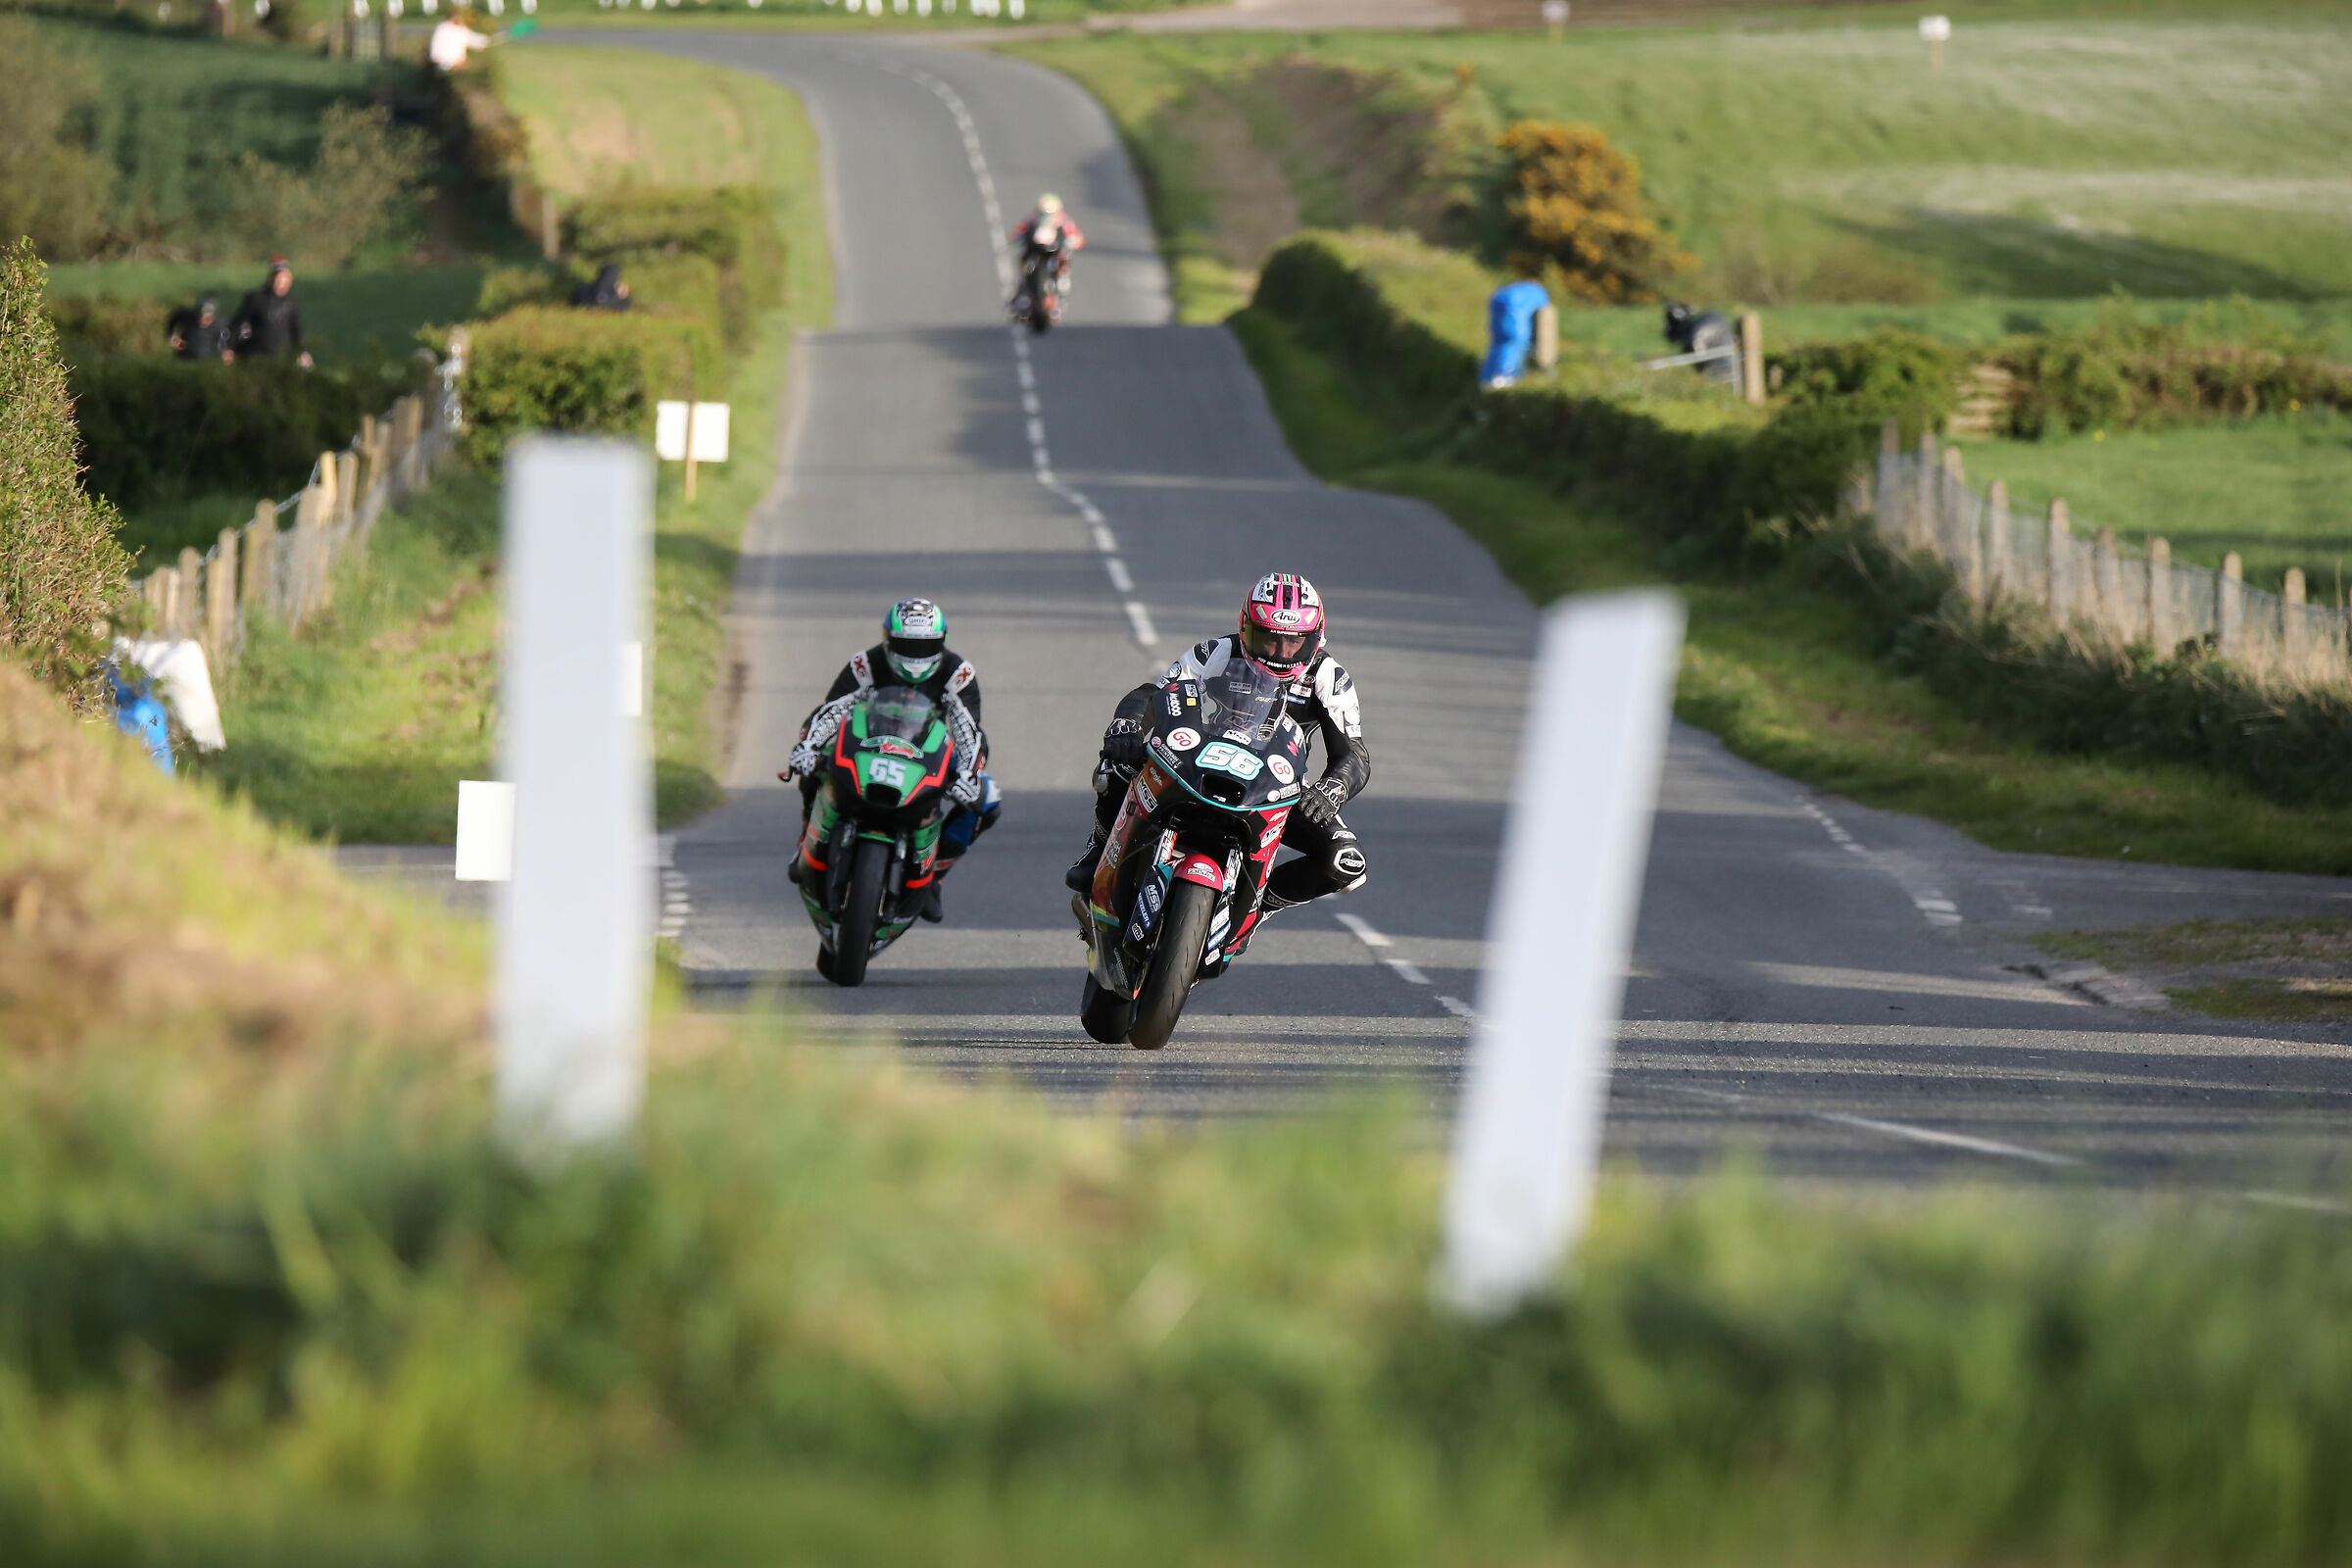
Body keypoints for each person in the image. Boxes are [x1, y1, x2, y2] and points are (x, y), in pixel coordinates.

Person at [1065, 570, 1369, 918]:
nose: (1280, 653)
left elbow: (1354, 755)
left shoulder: (1330, 678)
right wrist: (1127, 726)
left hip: (1277, 787)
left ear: (1315, 638)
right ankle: (1099, 847)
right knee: (1117, 764)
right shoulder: (1216, 652)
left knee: (1346, 862)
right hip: (1195, 763)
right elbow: (1157, 694)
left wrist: (1330, 790)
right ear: (1246, 627)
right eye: (1268, 638)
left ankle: (1255, 909)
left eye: (1293, 642)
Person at [783, 598, 1000, 923]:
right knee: (815, 766)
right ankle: (807, 839)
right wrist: (807, 745)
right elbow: (832, 709)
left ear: (941, 642)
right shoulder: (865, 663)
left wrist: (969, 776)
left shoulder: (959, 673)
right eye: (905, 645)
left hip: (930, 750)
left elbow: (969, 730)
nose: (915, 656)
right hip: (867, 741)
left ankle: (935, 874)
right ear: (888, 640)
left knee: (987, 799)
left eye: (925, 646)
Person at [230, 258, 311, 368]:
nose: (279, 281)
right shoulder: (255, 299)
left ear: (289, 280)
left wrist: (303, 352)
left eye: (282, 277)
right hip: (257, 358)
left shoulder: (292, 302)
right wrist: (230, 348)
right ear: (270, 278)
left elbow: (296, 329)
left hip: (282, 360)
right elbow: (238, 324)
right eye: (276, 277)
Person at [1482, 275, 1551, 388]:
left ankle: (1488, 377)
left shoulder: (1510, 293)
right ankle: (1505, 374)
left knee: (1500, 343)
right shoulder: (1538, 294)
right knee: (1515, 341)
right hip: (1514, 315)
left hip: (1502, 309)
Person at [1011, 193, 1085, 296]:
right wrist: (1017, 237)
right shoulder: (1033, 218)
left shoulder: (1063, 221)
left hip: (1055, 249)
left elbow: (1075, 234)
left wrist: (1074, 241)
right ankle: (1022, 279)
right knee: (1024, 258)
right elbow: (1020, 230)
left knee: (1065, 256)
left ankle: (1062, 277)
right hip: (1035, 248)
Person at [166, 296, 235, 362]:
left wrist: (228, 350)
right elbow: (173, 319)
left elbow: (229, 338)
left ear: (214, 316)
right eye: (199, 316)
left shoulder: (221, 325)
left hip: (208, 362)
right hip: (184, 358)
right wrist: (172, 337)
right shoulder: (188, 317)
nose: (202, 320)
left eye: (207, 318)